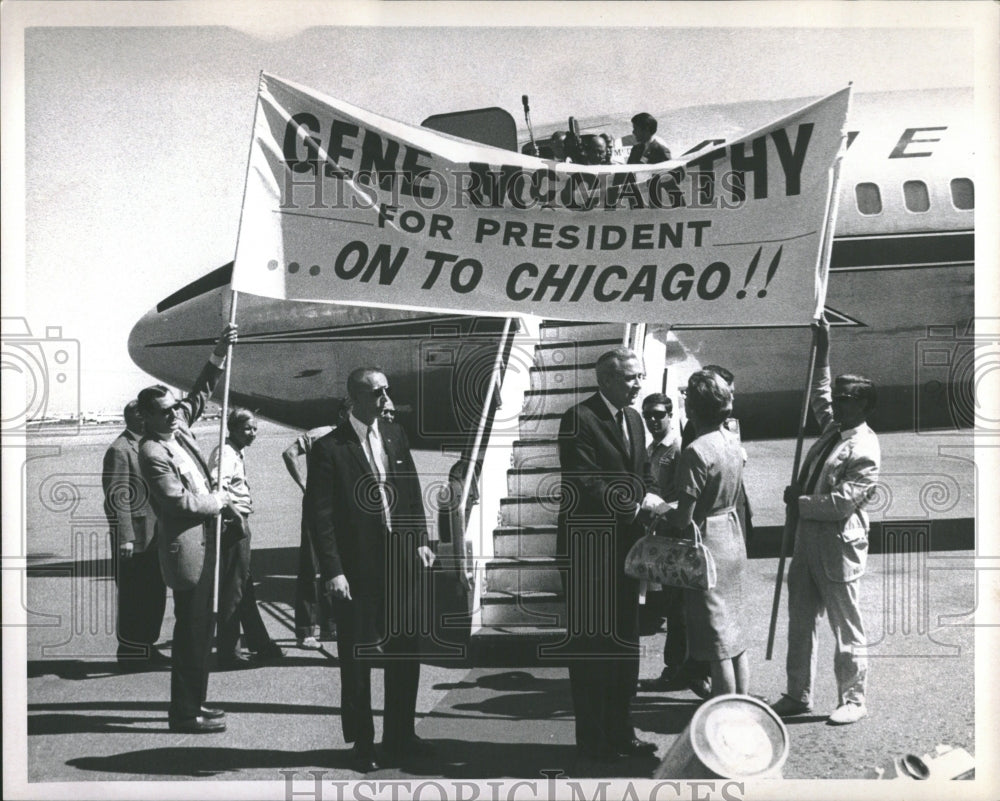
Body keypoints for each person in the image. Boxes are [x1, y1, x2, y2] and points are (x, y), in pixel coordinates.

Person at [306, 367, 436, 773]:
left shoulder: (395, 435)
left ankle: (400, 733)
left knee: (405, 650)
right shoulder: (330, 447)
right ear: (356, 398)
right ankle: (363, 743)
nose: (386, 398)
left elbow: (410, 491)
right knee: (358, 658)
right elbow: (320, 516)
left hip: (400, 562)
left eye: (387, 391)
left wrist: (422, 540)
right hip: (357, 569)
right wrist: (333, 571)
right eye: (378, 392)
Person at [555, 348, 665, 765]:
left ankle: (621, 732)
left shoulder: (634, 419)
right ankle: (593, 742)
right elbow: (585, 482)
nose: (638, 384)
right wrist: (635, 507)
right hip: (588, 555)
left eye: (640, 377)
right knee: (591, 651)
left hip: (625, 550)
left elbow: (642, 471)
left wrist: (653, 496)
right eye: (630, 378)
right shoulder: (579, 419)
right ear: (605, 380)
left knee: (624, 645)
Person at [771, 317, 880, 725]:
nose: (839, 401)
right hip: (806, 540)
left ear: (866, 404)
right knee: (800, 620)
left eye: (848, 397)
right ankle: (798, 693)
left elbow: (840, 503)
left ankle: (853, 698)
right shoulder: (834, 428)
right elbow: (819, 394)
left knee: (845, 624)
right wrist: (823, 349)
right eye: (840, 394)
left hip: (838, 542)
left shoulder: (865, 446)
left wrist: (798, 503)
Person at [137, 324, 237, 733]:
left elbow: (199, 393)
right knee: (192, 630)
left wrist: (218, 353)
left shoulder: (177, 427)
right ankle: (183, 712)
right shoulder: (152, 450)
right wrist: (218, 502)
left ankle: (197, 702)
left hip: (209, 539)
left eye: (174, 408)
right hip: (189, 548)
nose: (174, 414)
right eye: (165, 411)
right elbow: (177, 503)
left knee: (204, 627)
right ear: (147, 417)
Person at [660, 370, 749, 697]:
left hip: (706, 541)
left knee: (715, 640)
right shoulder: (732, 441)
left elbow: (684, 515)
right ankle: (742, 702)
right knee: (734, 633)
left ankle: (725, 708)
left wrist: (658, 509)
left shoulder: (697, 450)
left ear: (693, 409)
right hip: (731, 532)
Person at [211, 409, 284, 667]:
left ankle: (260, 643)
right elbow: (217, 487)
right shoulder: (226, 454)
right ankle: (228, 652)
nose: (252, 434)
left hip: (238, 521)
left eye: (254, 429)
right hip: (233, 523)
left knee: (245, 586)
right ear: (232, 429)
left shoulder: (236, 451)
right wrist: (237, 518)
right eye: (247, 429)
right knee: (234, 589)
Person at [102, 399, 167, 669]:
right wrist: (125, 537)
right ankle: (130, 653)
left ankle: (147, 647)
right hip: (135, 538)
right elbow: (116, 498)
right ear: (138, 417)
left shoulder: (148, 445)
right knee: (133, 597)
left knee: (154, 593)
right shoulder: (120, 449)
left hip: (154, 535)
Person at [635, 393, 687, 692]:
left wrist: (660, 510)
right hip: (658, 535)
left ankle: (676, 668)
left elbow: (684, 495)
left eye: (658, 414)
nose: (653, 420)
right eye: (648, 415)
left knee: (677, 606)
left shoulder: (677, 450)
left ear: (670, 415)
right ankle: (679, 666)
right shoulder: (650, 449)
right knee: (669, 602)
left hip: (673, 535)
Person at [283, 421, 337, 649]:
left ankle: (329, 626)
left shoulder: (356, 436)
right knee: (310, 567)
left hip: (340, 508)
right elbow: (289, 453)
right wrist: (304, 483)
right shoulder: (321, 433)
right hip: (318, 507)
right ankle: (305, 631)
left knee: (334, 567)